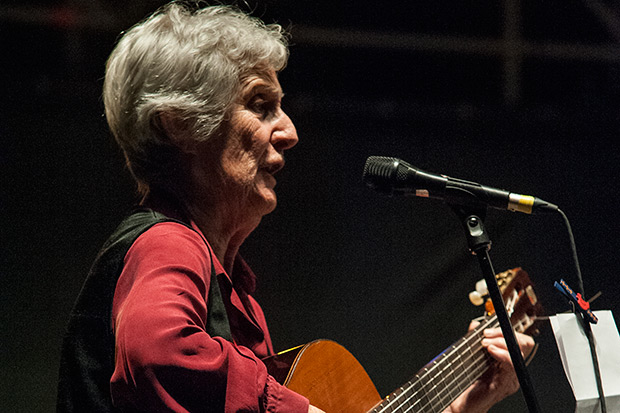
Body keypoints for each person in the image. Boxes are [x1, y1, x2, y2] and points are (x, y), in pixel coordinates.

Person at [57, 2, 534, 412]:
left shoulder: (233, 294)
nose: (289, 131)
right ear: (179, 125)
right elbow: (157, 350)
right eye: (260, 105)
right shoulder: (167, 242)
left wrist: (465, 403)